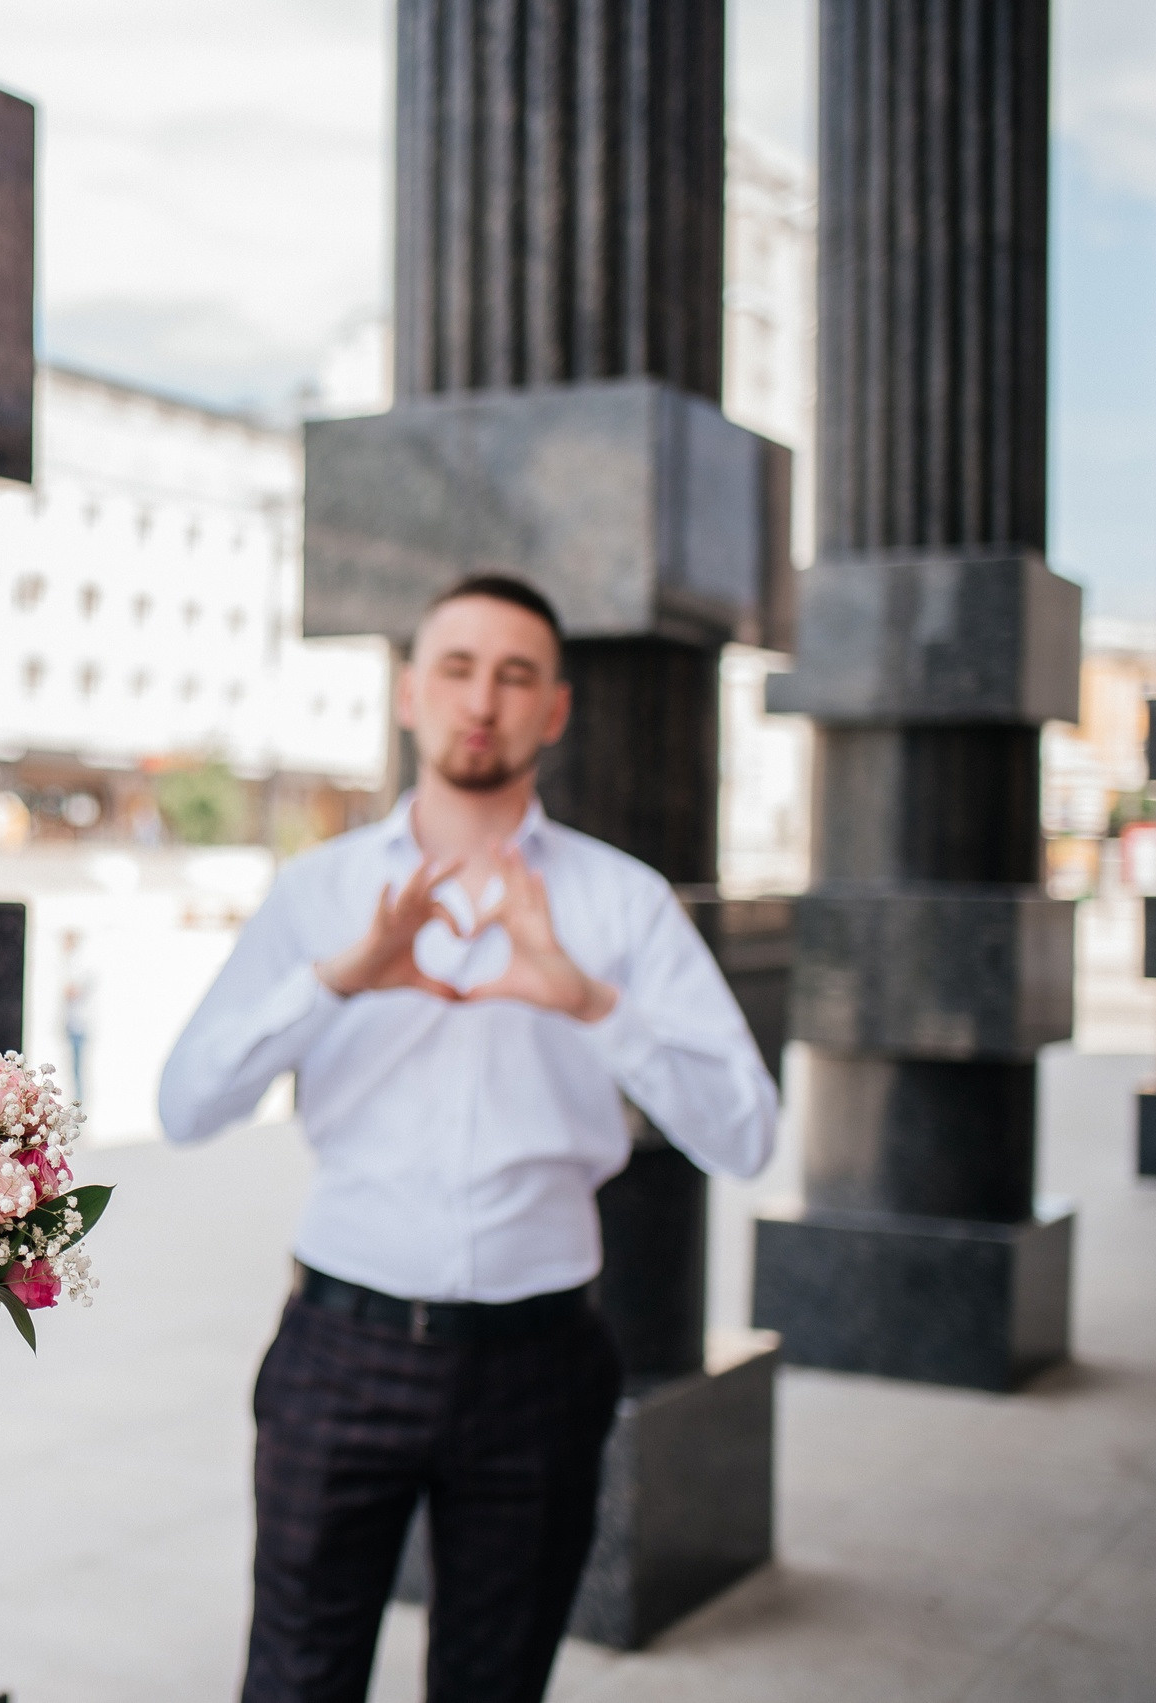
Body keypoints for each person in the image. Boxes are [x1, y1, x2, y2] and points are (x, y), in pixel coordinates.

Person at [158, 575, 778, 1703]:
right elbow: (185, 1105)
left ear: (556, 709)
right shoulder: (320, 890)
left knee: (495, 1682)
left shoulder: (623, 902)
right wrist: (336, 979)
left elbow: (745, 1134)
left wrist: (591, 999)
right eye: (455, 666)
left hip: (540, 1360)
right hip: (338, 1346)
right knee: (295, 1676)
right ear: (407, 692)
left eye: (515, 673)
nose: (481, 699)